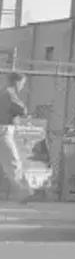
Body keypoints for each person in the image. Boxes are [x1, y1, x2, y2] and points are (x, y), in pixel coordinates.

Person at [0, 72, 36, 202]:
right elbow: (22, 110)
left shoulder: (4, 92)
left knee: (11, 162)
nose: (22, 86)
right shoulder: (9, 93)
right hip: (3, 130)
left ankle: (23, 192)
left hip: (5, 129)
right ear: (16, 82)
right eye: (22, 83)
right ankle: (24, 193)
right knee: (13, 162)